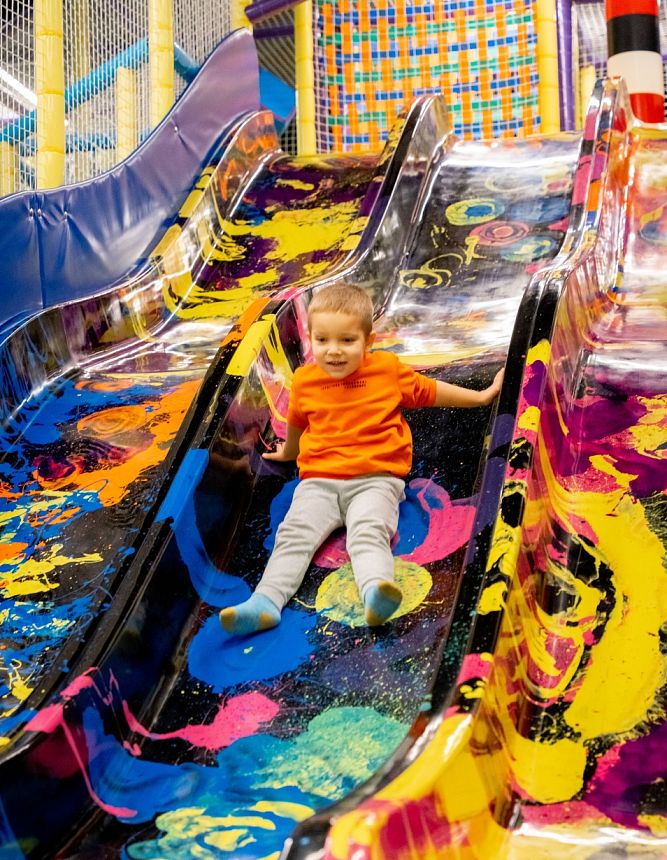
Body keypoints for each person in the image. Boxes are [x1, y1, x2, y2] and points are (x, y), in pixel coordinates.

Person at [220, 283, 504, 635]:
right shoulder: (306, 380)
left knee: (368, 533)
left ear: (369, 341)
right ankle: (265, 603)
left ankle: (374, 594)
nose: (333, 350)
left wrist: (482, 396)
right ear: (310, 339)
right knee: (293, 535)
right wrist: (289, 452)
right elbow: (297, 422)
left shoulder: (386, 371)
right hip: (319, 482)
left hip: (375, 480)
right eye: (322, 340)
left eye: (347, 340)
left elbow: (429, 391)